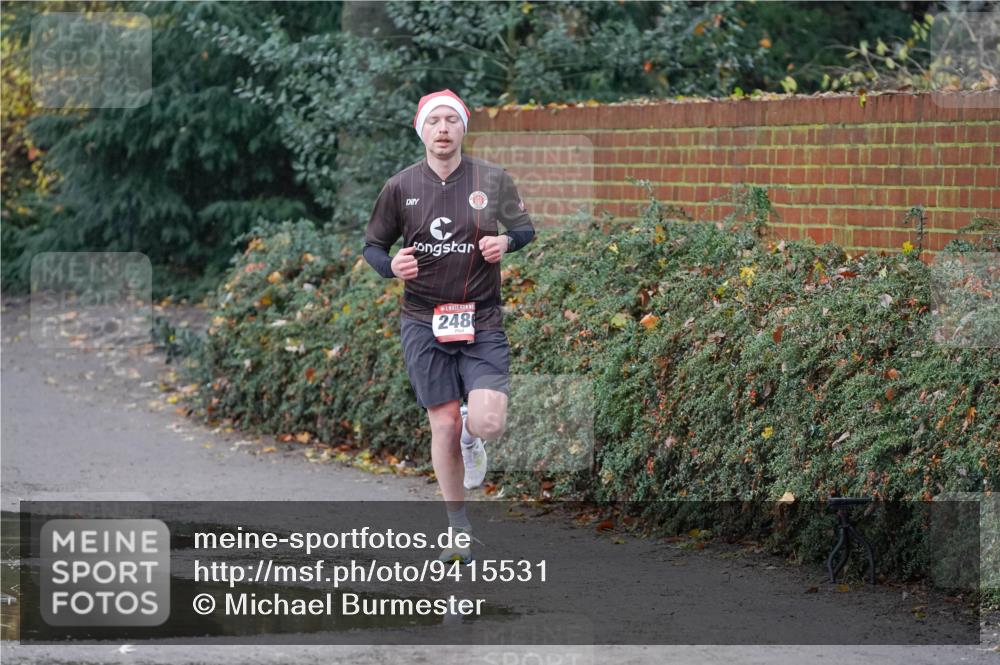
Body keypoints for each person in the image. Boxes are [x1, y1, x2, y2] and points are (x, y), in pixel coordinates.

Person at [363, 89, 535, 563]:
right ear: (422, 130)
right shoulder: (400, 187)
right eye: (434, 121)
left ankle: (470, 432)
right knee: (439, 423)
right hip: (423, 321)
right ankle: (457, 527)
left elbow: (524, 229)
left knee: (488, 421)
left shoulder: (492, 179)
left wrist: (506, 243)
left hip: (480, 317)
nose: (443, 129)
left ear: (463, 128)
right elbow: (373, 247)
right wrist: (391, 266)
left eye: (451, 121)